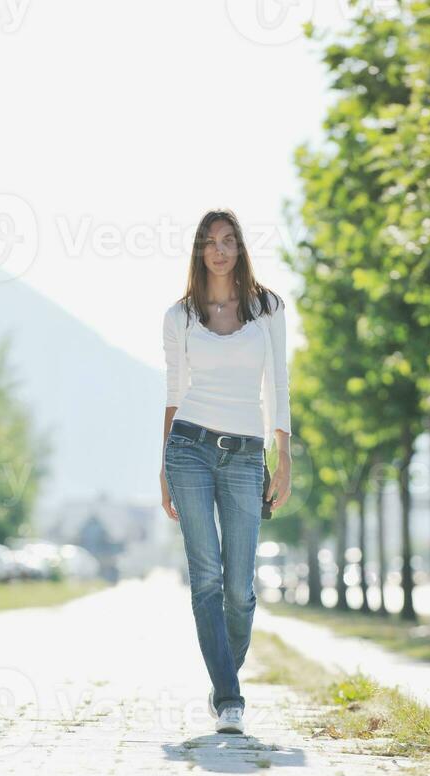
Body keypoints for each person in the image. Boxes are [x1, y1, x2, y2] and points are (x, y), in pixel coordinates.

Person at [160, 208, 292, 736]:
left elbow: (277, 385)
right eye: (210, 241)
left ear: (240, 248)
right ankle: (231, 698)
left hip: (244, 453)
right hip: (188, 448)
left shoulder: (267, 308)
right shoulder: (181, 316)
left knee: (239, 588)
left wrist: (283, 457)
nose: (219, 249)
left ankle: (221, 679)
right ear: (199, 251)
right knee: (207, 577)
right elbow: (172, 395)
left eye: (228, 240)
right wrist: (162, 468)